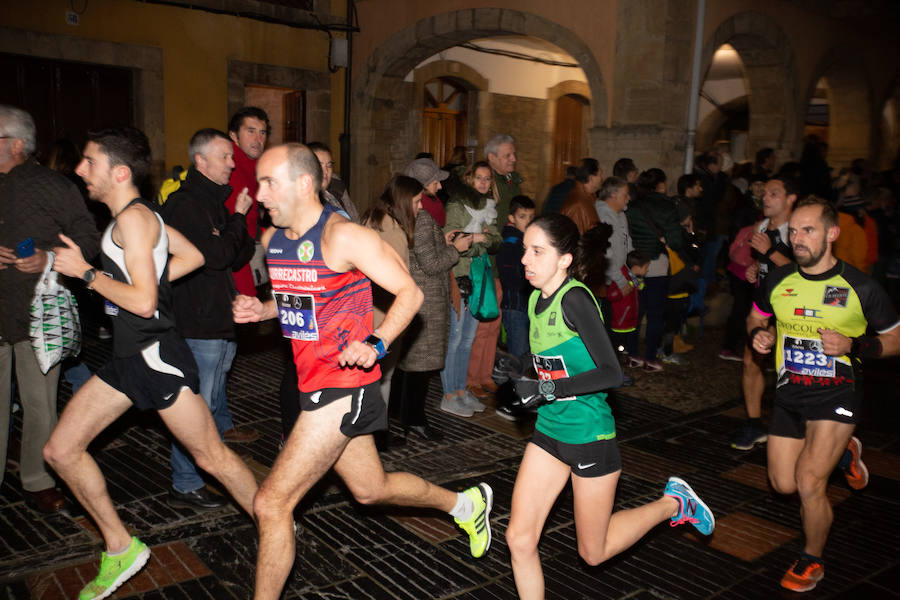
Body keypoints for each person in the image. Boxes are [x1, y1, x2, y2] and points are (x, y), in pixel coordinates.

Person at [232, 143, 493, 600]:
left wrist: (376, 343)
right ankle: (466, 504)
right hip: (310, 383)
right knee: (371, 490)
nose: (260, 193)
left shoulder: (345, 236)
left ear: (304, 184)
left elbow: (410, 294)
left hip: (343, 386)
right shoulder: (276, 241)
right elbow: (305, 301)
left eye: (269, 182)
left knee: (271, 502)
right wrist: (264, 309)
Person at [43, 126, 259, 600]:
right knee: (60, 451)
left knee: (211, 457)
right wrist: (149, 286)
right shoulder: (141, 216)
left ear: (119, 172)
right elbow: (193, 255)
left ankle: (274, 521)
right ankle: (120, 546)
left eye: (90, 162)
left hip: (156, 356)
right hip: (129, 357)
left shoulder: (135, 221)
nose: (81, 170)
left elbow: (142, 303)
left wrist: (88, 273)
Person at [505, 214, 714, 600]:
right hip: (550, 432)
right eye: (524, 251)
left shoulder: (576, 300)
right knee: (519, 538)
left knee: (593, 551)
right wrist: (517, 367)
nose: (525, 260)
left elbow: (610, 373)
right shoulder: (536, 299)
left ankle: (674, 503)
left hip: (589, 435)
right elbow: (554, 360)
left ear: (564, 259)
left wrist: (547, 389)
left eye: (537, 251)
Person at [747, 196, 899, 592]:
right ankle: (845, 449)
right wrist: (758, 336)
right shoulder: (779, 280)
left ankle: (811, 559)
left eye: (808, 230)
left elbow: (895, 338)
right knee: (782, 483)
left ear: (831, 234)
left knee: (809, 482)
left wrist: (855, 346)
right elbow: (756, 316)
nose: (797, 239)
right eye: (793, 231)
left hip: (836, 391)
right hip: (789, 392)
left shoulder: (861, 286)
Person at [0, 105, 100, 512]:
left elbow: (88, 241)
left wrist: (46, 258)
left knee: (41, 402)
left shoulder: (53, 186)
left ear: (17, 144)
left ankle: (37, 478)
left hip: (36, 314)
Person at [159, 128, 256, 509]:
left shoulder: (218, 201)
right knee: (195, 406)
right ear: (200, 160)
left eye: (232, 157)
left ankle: (208, 469)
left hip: (220, 316)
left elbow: (239, 252)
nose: (232, 164)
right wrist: (237, 219)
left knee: (211, 401)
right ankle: (185, 482)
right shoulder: (186, 205)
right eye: (224, 157)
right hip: (198, 321)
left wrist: (235, 223)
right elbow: (216, 256)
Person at [391, 193, 471, 440]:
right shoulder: (423, 218)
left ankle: (398, 415)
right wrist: (455, 249)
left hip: (418, 297)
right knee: (419, 365)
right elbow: (431, 264)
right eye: (433, 182)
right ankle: (414, 420)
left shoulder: (413, 216)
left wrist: (443, 242)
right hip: (427, 299)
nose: (438, 186)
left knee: (408, 362)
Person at [730, 175, 798, 450]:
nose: (766, 198)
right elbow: (764, 265)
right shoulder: (761, 226)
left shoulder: (799, 230)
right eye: (765, 193)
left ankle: (798, 428)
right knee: (751, 361)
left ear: (791, 198)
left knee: (791, 367)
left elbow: (805, 273)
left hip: (795, 308)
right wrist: (755, 271)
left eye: (774, 193)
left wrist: (770, 253)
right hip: (765, 305)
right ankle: (755, 424)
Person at [442, 161, 500, 416]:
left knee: (468, 339)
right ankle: (449, 394)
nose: (484, 183)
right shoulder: (456, 205)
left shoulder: (489, 208)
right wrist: (479, 239)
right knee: (454, 340)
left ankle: (462, 391)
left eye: (488, 179)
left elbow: (496, 240)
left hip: (479, 277)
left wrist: (475, 239)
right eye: (479, 178)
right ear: (469, 179)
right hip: (459, 276)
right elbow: (453, 240)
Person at [624, 168, 687, 372]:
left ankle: (633, 355)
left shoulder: (632, 205)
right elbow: (676, 241)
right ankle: (650, 358)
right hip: (657, 265)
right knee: (655, 315)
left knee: (636, 311)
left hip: (634, 264)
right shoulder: (667, 206)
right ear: (660, 185)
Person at [226, 106, 269, 300]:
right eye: (250, 131)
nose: (258, 139)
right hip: (234, 261)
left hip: (248, 254)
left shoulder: (257, 167)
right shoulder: (229, 166)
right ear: (234, 136)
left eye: (262, 133)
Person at [498, 195, 536, 361]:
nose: (528, 221)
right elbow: (509, 277)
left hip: (526, 304)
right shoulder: (510, 243)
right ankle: (516, 385)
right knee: (518, 352)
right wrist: (527, 286)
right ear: (511, 218)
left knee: (527, 351)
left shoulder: (526, 241)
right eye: (522, 217)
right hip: (515, 305)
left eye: (531, 217)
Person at [607, 250, 649, 355]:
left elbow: (638, 288)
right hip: (620, 319)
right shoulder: (621, 277)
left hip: (629, 319)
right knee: (617, 346)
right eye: (646, 267)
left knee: (625, 345)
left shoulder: (634, 277)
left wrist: (639, 285)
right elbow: (611, 295)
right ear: (636, 268)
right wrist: (628, 287)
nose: (647, 270)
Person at [307, 141, 359, 222]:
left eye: (329, 166)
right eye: (319, 165)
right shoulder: (299, 201)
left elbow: (355, 220)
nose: (325, 171)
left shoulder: (337, 187)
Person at [485, 133, 522, 227]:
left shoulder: (514, 179)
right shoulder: (484, 183)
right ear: (492, 157)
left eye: (514, 154)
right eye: (507, 155)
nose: (514, 159)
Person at [560, 158, 603, 234]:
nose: (602, 178)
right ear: (591, 178)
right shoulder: (578, 204)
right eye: (600, 174)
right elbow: (575, 239)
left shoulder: (589, 197)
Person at [404, 156, 449, 227]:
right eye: (435, 183)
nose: (440, 187)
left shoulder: (430, 198)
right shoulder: (430, 205)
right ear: (423, 185)